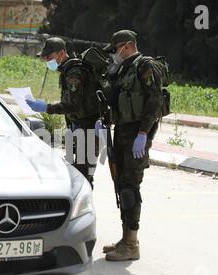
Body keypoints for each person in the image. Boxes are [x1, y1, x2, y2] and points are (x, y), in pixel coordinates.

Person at [102, 30, 164, 261]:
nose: (114, 54)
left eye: (116, 49)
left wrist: (143, 134)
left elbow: (154, 102)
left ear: (127, 46)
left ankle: (132, 245)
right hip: (122, 132)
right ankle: (125, 238)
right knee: (121, 185)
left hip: (137, 134)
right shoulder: (124, 69)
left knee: (130, 189)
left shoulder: (145, 66)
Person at [26, 37, 102, 188]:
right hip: (79, 127)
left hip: (88, 130)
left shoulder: (74, 72)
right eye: (45, 57)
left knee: (83, 179)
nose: (47, 60)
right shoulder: (68, 70)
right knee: (76, 175)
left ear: (61, 53)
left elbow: (73, 105)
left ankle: (83, 210)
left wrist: (46, 108)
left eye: (49, 57)